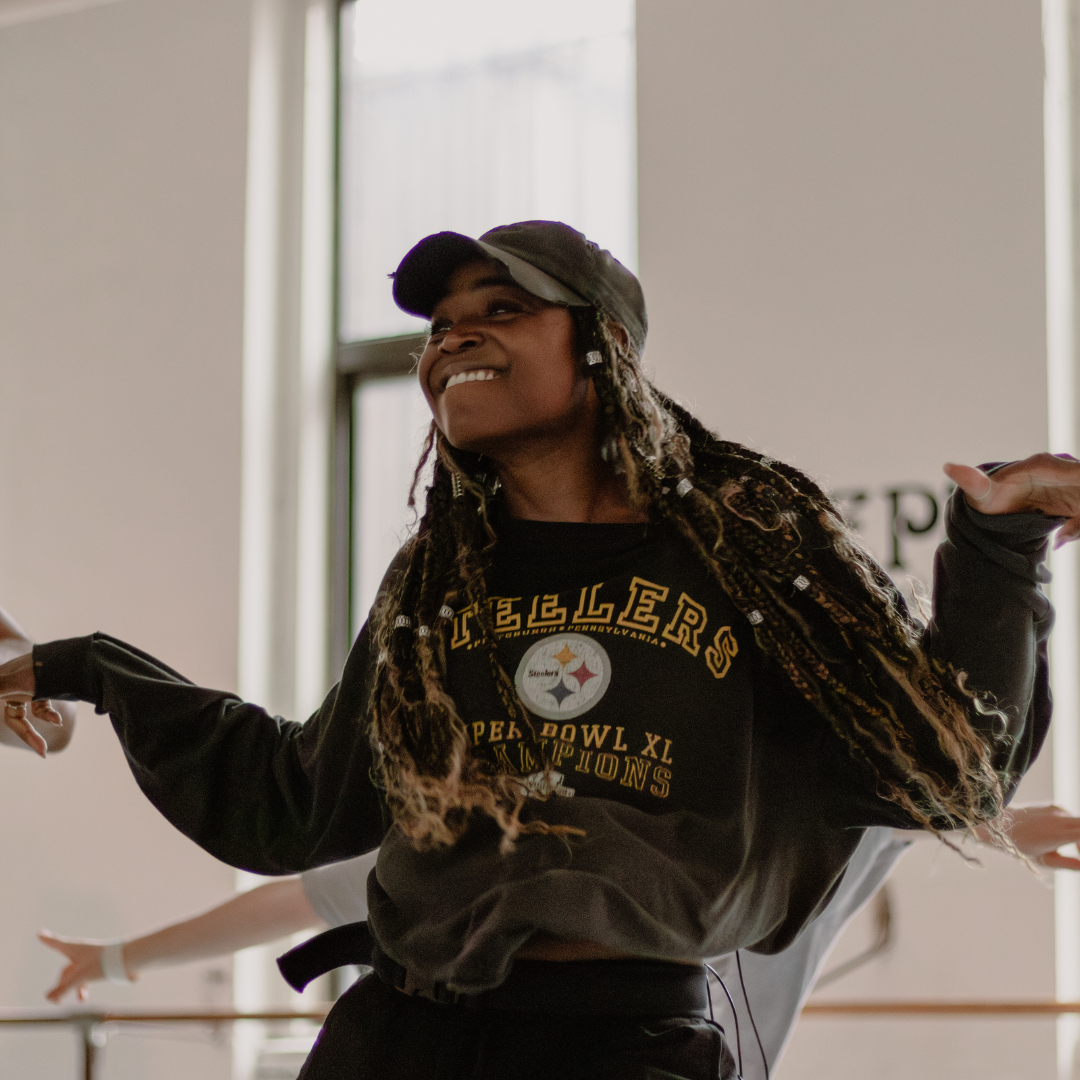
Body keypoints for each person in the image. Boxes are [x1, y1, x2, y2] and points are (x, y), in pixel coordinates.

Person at [0, 220, 1071, 1079]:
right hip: (405, 1031)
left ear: (601, 344)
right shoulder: (436, 584)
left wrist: (1001, 544)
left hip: (623, 1037)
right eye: (440, 325)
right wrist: (87, 666)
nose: (452, 338)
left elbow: (947, 756)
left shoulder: (748, 550)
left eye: (500, 310)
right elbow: (298, 802)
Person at [36, 806, 1080, 1080]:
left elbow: (897, 809)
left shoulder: (777, 827)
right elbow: (295, 902)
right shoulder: (501, 846)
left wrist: (1005, 829)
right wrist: (120, 960)